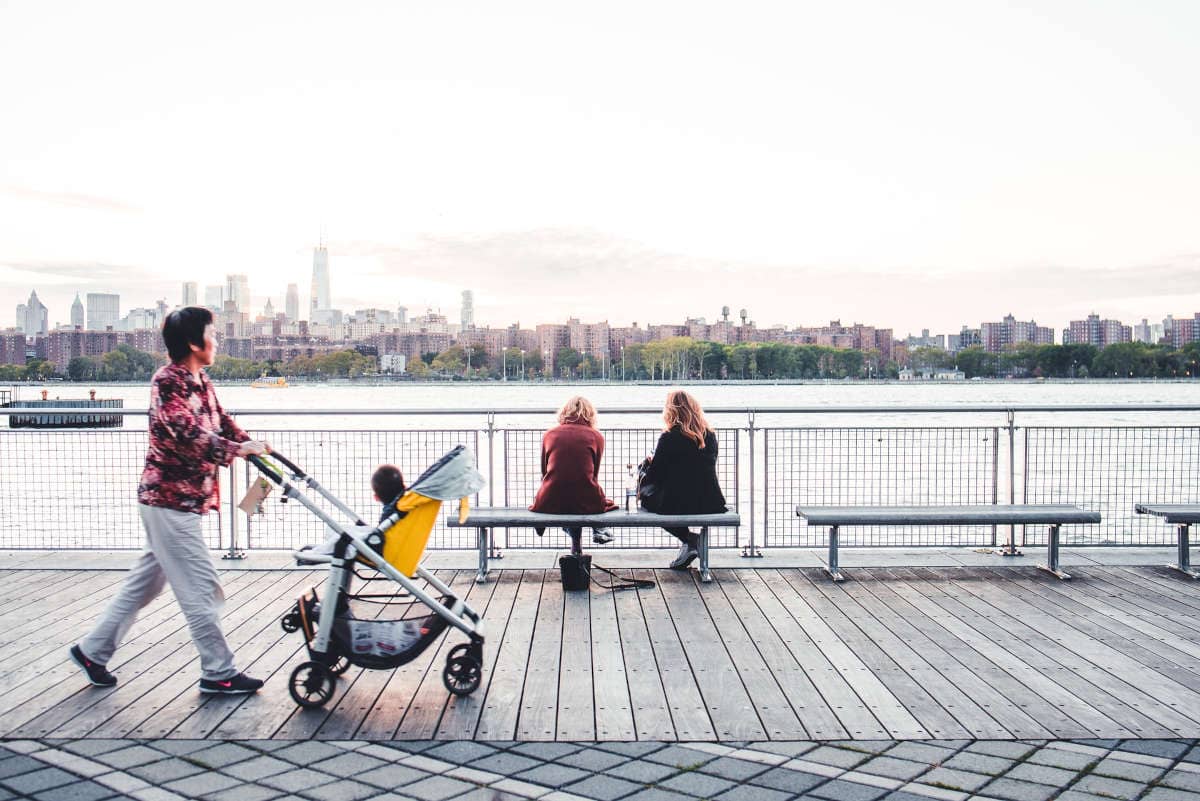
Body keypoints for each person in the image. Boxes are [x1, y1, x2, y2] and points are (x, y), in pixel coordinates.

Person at [70, 307, 271, 694]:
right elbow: (185, 431)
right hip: (168, 500)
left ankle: (92, 650)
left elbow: (221, 420)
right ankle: (218, 671)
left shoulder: (200, 379)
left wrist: (252, 444)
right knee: (201, 587)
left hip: (179, 501)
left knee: (145, 585)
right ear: (195, 343)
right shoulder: (168, 382)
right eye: (213, 334)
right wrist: (237, 450)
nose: (217, 341)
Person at [639, 390, 727, 569]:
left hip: (677, 503)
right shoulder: (709, 436)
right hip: (710, 501)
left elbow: (656, 475)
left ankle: (690, 539)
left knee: (646, 500)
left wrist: (646, 466)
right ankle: (690, 544)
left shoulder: (669, 437)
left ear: (671, 411)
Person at [529, 396, 615, 554]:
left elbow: (544, 471)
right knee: (584, 494)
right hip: (585, 499)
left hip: (550, 499)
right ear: (590, 414)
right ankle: (597, 531)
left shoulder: (549, 435)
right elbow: (593, 475)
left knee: (566, 493)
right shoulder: (596, 437)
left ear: (564, 412)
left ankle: (576, 545)